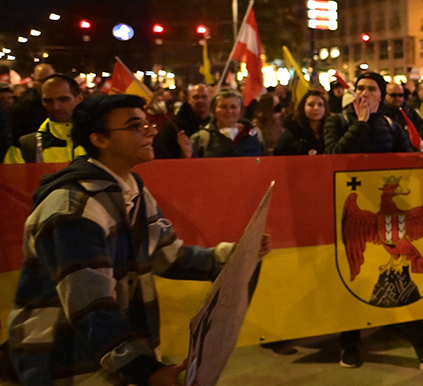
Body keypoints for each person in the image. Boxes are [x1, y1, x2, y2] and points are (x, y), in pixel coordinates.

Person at [6, 94, 271, 386]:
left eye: (148, 124)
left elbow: (169, 257)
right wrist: (144, 370)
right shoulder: (73, 210)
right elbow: (92, 308)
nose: (151, 131)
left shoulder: (131, 190)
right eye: (136, 126)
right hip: (68, 362)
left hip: (108, 357)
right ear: (100, 139)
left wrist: (236, 255)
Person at [325, 72, 423, 370]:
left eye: (371, 89)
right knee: (356, 281)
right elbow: (334, 156)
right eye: (359, 88)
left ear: (381, 96)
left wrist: (420, 156)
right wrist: (360, 122)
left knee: (395, 282)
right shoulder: (339, 121)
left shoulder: (390, 125)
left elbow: (403, 157)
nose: (364, 93)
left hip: (390, 219)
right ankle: (350, 346)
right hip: (351, 215)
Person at [4, 74, 85, 164]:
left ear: (79, 99)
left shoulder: (98, 139)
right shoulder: (25, 146)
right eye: (48, 101)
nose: (55, 107)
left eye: (63, 99)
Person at [190, 88, 267, 158]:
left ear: (241, 110)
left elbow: (265, 163)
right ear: (214, 109)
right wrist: (188, 154)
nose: (229, 111)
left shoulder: (255, 134)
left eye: (233, 107)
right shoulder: (201, 138)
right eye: (223, 107)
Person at [153, 84, 212, 159]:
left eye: (204, 97)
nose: (200, 100)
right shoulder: (174, 124)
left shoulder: (216, 123)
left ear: (211, 99)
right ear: (189, 99)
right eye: (195, 97)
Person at [9, 63, 56, 139]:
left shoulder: (66, 103)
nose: (46, 83)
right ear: (33, 80)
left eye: (50, 79)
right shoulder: (23, 107)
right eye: (42, 81)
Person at [273, 90, 327, 155]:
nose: (316, 108)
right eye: (311, 105)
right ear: (303, 107)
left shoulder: (330, 131)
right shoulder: (293, 133)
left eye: (320, 105)